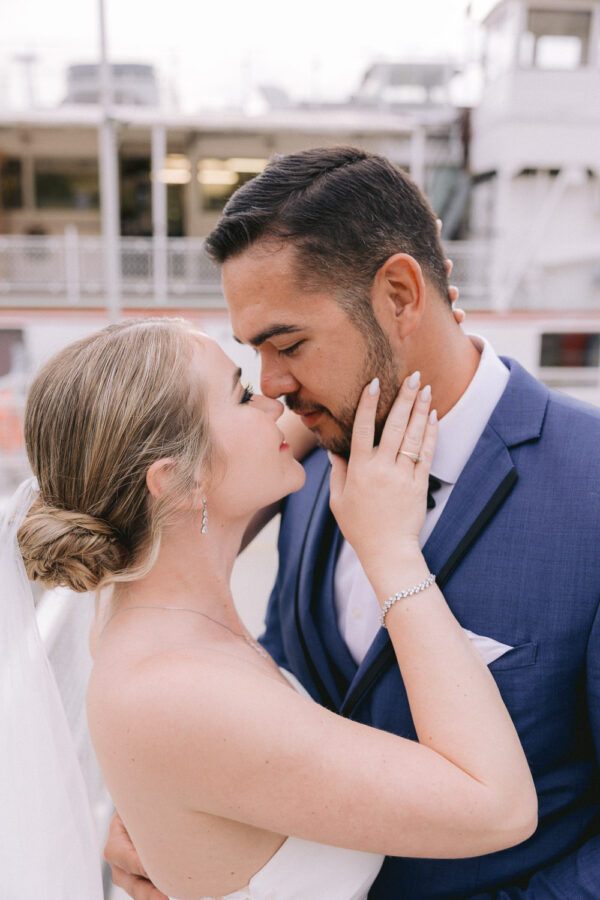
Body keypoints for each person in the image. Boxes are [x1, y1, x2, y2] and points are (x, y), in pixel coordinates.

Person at [107, 147, 600, 898]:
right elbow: (289, 670)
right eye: (254, 355)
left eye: (289, 343)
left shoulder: (589, 487)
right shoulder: (306, 456)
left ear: (401, 295)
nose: (272, 386)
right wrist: (176, 803)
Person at [11, 317, 537, 900]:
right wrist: (392, 554)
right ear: (176, 481)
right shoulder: (176, 691)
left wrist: (393, 327)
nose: (273, 400)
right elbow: (500, 808)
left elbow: (255, 439)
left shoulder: (139, 593)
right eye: (241, 394)